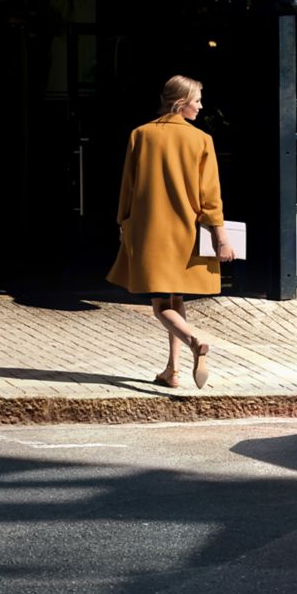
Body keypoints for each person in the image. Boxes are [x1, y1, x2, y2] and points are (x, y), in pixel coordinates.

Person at [107, 74, 234, 389]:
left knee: (161, 306)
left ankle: (194, 342)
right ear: (181, 102)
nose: (201, 107)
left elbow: (129, 186)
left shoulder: (141, 135)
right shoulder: (202, 140)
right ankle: (172, 370)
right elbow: (211, 196)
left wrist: (123, 221)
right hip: (186, 232)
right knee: (175, 301)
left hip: (150, 233)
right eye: (197, 100)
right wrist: (221, 236)